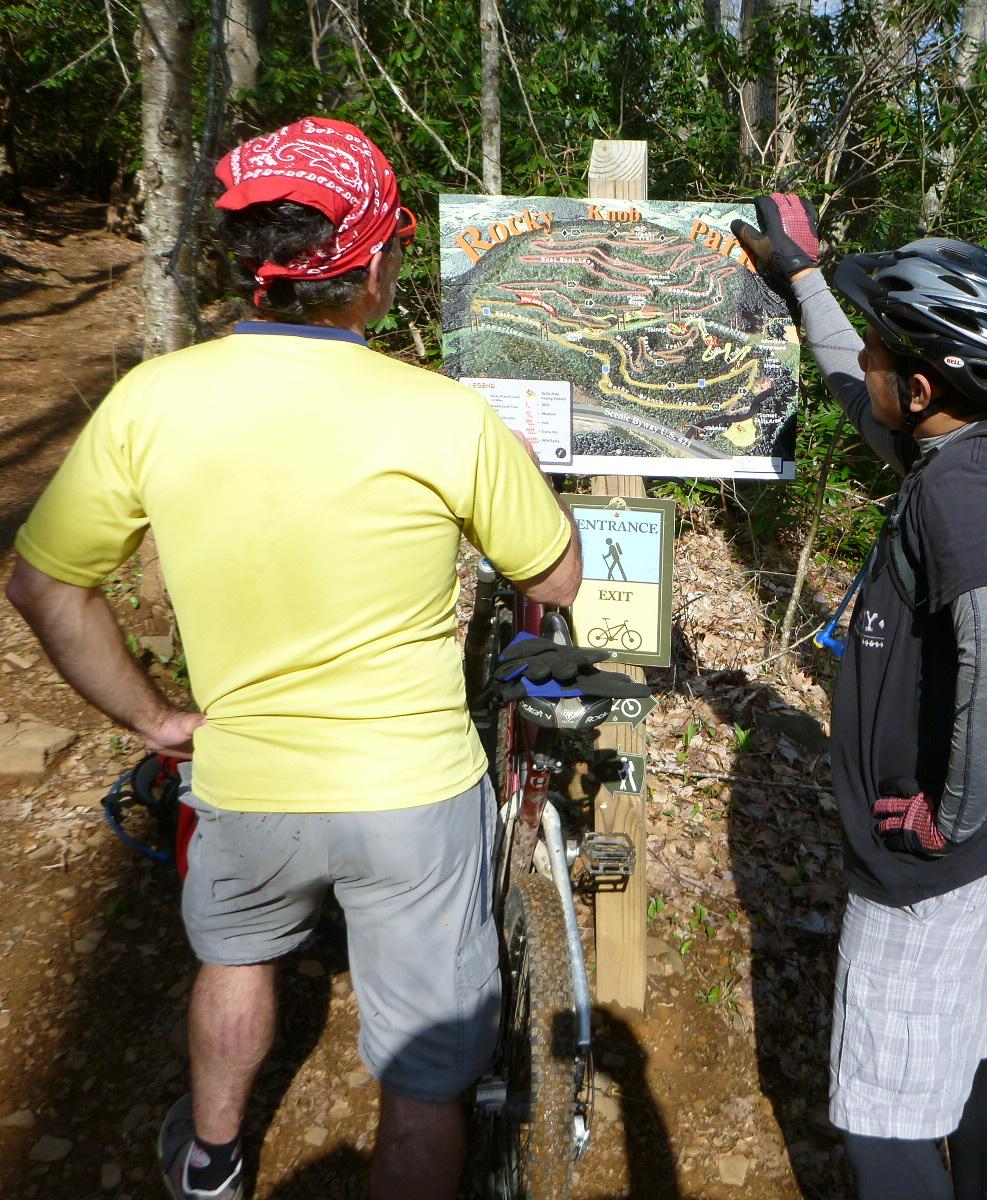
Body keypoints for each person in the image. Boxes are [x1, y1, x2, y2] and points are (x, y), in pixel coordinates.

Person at [5, 116, 580, 1200]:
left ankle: (215, 1161)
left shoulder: (151, 400)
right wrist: (519, 471)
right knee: (423, 1079)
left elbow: (43, 584)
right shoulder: (444, 415)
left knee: (235, 961)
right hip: (412, 789)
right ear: (370, 268)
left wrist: (152, 718)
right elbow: (551, 582)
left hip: (246, 773)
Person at [735, 199, 987, 1200]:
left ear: (921, 386)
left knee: (883, 1125)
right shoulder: (980, 449)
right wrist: (802, 277)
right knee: (969, 1052)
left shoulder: (959, 494)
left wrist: (947, 812)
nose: (865, 356)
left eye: (880, 343)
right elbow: (854, 388)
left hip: (938, 863)